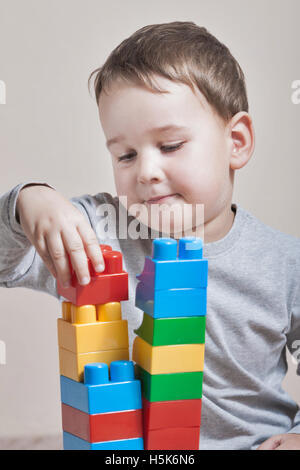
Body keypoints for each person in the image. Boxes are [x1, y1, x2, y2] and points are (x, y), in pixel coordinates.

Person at [0, 21, 299, 450]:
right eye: (125, 155)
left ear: (236, 141)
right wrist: (26, 203)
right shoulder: (98, 232)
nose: (145, 172)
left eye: (171, 145)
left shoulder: (285, 264)